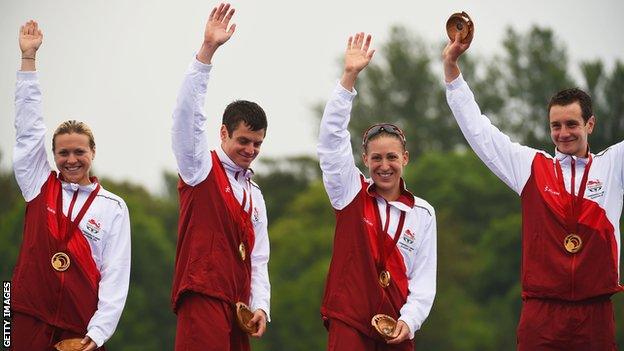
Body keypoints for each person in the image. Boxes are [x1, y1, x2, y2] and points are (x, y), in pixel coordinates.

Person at [444, 31, 623, 350]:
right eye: (556, 125)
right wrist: (452, 68)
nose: (563, 133)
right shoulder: (530, 166)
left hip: (595, 311)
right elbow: (479, 131)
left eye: (572, 124)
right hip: (542, 312)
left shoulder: (613, 165)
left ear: (590, 125)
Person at [11, 20, 131, 351]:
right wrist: (28, 61)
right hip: (28, 315)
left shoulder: (113, 207)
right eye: (63, 153)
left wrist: (100, 331)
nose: (71, 159)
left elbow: (115, 276)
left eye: (80, 151)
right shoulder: (38, 185)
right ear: (53, 156)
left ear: (93, 153)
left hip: (80, 326)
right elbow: (28, 129)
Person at [317, 32, 437, 351]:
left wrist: (408, 321)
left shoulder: (423, 214)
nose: (385, 166)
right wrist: (349, 77)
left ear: (405, 159)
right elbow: (330, 142)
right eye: (377, 158)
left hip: (396, 328)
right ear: (365, 160)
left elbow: (424, 282)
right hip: (350, 323)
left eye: (392, 157)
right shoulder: (350, 194)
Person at [170, 3, 270, 351]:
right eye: (243, 141)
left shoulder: (254, 193)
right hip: (202, 295)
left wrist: (262, 305)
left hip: (238, 307)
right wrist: (206, 52)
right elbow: (186, 118)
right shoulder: (200, 168)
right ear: (224, 133)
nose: (250, 149)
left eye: (257, 143)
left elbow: (259, 257)